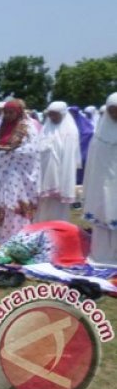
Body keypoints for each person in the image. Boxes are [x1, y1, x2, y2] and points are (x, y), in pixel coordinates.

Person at [0, 99, 40, 244]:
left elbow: (32, 150)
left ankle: (15, 235)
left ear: (19, 112)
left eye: (11, 112)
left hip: (16, 173)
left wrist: (10, 154)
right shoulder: (2, 127)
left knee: (11, 202)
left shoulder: (27, 127)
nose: (8, 115)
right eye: (6, 112)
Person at [82, 93, 117, 265]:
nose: (115, 114)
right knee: (102, 220)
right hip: (102, 187)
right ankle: (101, 255)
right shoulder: (99, 137)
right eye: (112, 110)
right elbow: (92, 167)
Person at [34, 101, 80, 223]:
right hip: (44, 175)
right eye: (50, 115)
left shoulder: (70, 131)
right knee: (43, 206)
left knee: (57, 208)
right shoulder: (46, 129)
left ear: (63, 114)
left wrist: (63, 182)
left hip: (60, 177)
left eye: (55, 114)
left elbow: (69, 159)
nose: (52, 117)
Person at [68, 106, 94, 185]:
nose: (72, 115)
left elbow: (89, 133)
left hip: (83, 152)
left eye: (73, 113)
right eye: (70, 113)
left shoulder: (85, 123)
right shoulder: (67, 124)